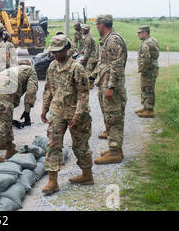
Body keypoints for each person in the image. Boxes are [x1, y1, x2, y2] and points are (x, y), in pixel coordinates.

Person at [41, 35, 94, 194]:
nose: (55, 55)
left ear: (66, 49)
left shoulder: (76, 68)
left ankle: (87, 175)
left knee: (80, 145)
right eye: (53, 52)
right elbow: (49, 89)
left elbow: (83, 94)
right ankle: (52, 181)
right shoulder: (52, 66)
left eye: (58, 51)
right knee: (53, 144)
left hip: (75, 113)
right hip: (57, 111)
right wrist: (44, 109)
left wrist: (78, 116)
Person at [0, 60, 38, 164]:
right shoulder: (31, 71)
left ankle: (10, 149)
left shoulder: (13, 70)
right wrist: (27, 111)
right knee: (3, 120)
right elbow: (31, 91)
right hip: (4, 88)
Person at [89, 15, 127, 164]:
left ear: (103, 24)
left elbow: (116, 66)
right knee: (109, 118)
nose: (96, 27)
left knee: (114, 119)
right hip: (105, 84)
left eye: (97, 24)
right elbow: (103, 64)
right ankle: (114, 149)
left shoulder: (112, 40)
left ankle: (115, 152)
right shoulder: (105, 40)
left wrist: (111, 87)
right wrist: (92, 77)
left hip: (112, 87)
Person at [135, 25, 160, 118]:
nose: (138, 34)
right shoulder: (153, 40)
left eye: (140, 33)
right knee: (145, 88)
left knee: (148, 89)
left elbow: (146, 59)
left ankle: (149, 110)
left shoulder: (146, 43)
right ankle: (145, 107)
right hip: (152, 68)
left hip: (148, 70)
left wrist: (142, 69)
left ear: (145, 33)